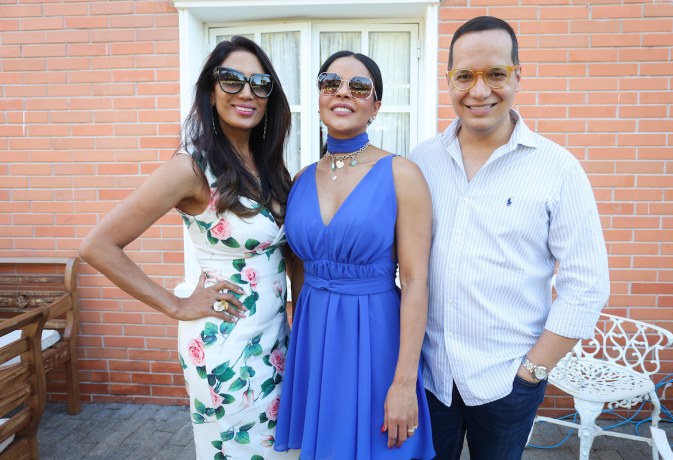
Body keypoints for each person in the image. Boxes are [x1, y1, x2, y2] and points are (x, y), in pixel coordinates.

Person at [80, 36, 299, 459]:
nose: (247, 93)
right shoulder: (190, 167)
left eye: (260, 83)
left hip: (275, 342)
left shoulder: (266, 163)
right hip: (226, 345)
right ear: (211, 90)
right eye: (232, 80)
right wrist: (176, 305)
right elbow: (98, 246)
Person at [409, 16, 610, 459]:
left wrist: (534, 371)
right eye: (464, 76)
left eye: (495, 74)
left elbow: (587, 283)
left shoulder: (558, 168)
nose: (479, 91)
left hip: (507, 382)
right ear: (449, 81)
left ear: (518, 75)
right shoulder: (420, 161)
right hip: (430, 377)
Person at [273, 51, 436, 459]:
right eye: (331, 83)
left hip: (375, 335)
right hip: (314, 335)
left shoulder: (401, 174)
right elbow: (296, 262)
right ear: (319, 97)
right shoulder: (301, 179)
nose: (343, 93)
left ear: (375, 106)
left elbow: (416, 281)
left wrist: (403, 383)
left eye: (359, 87)